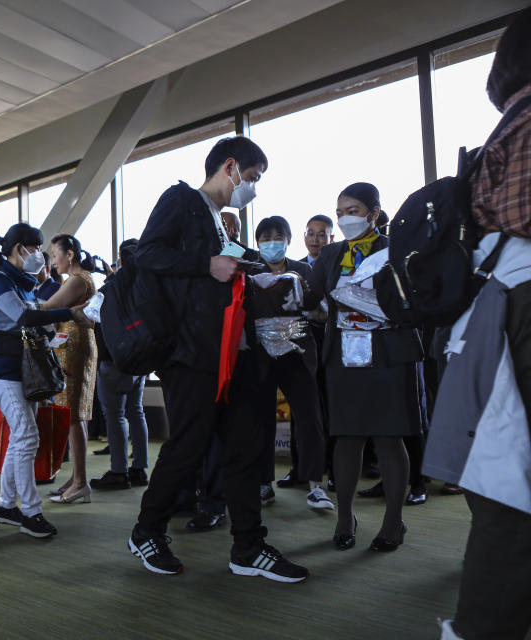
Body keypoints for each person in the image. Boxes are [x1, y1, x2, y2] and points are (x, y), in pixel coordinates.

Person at [126, 135, 308, 581]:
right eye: (252, 177)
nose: (253, 187)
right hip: (191, 352)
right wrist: (207, 264)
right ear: (230, 166)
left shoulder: (216, 221)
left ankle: (248, 545)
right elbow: (145, 253)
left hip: (232, 351)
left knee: (245, 448)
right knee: (187, 446)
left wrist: (251, 272)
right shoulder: (182, 199)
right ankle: (146, 531)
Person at [437, 10, 531, 639]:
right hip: (520, 307)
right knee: (510, 491)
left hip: (495, 313)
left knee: (505, 480)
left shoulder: (508, 126)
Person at [307, 182, 423, 553]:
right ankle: (345, 517)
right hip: (345, 353)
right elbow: (316, 302)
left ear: (374, 213)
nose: (345, 219)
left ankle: (394, 521)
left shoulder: (397, 250)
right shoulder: (330, 255)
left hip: (387, 353)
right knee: (348, 436)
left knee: (390, 437)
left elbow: (413, 300)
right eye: (340, 211)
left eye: (353, 211)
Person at [0, 223, 92, 537]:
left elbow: (35, 317)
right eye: (36, 249)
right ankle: (31, 511)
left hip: (26, 368)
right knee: (28, 435)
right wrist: (72, 313)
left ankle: (6, 505)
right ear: (20, 249)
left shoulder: (23, 282)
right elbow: (25, 317)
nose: (41, 257)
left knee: (22, 437)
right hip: (4, 369)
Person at [247, 216, 333, 511]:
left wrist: (309, 307)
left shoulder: (303, 270)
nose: (272, 243)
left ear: (288, 239)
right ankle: (262, 483)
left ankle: (315, 485)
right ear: (258, 243)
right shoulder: (249, 271)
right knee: (260, 420)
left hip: (298, 351)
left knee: (309, 417)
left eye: (278, 237)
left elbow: (321, 313)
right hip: (260, 354)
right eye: (266, 238)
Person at [90, 239, 150, 491]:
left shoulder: (110, 288)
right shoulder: (147, 286)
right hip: (142, 359)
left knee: (115, 416)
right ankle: (139, 469)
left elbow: (93, 316)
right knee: (136, 411)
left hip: (114, 360)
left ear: (121, 259)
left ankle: (118, 471)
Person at [43, 234, 98, 505]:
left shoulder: (79, 280)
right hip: (72, 347)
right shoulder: (77, 280)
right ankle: (77, 477)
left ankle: (80, 483)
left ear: (71, 254)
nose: (53, 261)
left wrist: (33, 306)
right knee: (74, 415)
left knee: (75, 416)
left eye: (56, 254)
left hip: (75, 348)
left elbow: (48, 307)